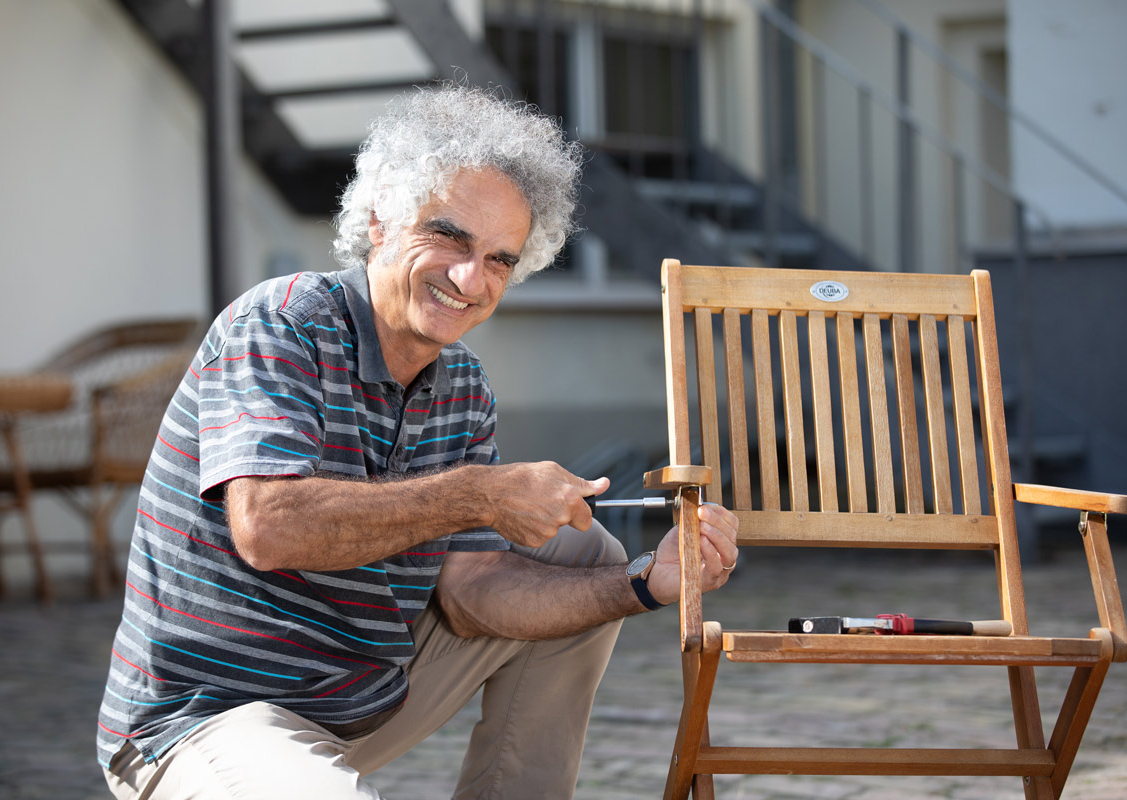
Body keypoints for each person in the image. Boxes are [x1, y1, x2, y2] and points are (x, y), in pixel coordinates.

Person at [96, 84, 738, 800]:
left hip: (358, 702)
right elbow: (267, 528)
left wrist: (646, 586)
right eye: (450, 237)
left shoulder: (462, 385)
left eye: (500, 259)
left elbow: (470, 597)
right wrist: (481, 494)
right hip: (207, 719)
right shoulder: (281, 325)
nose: (471, 279)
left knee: (587, 554)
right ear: (379, 223)